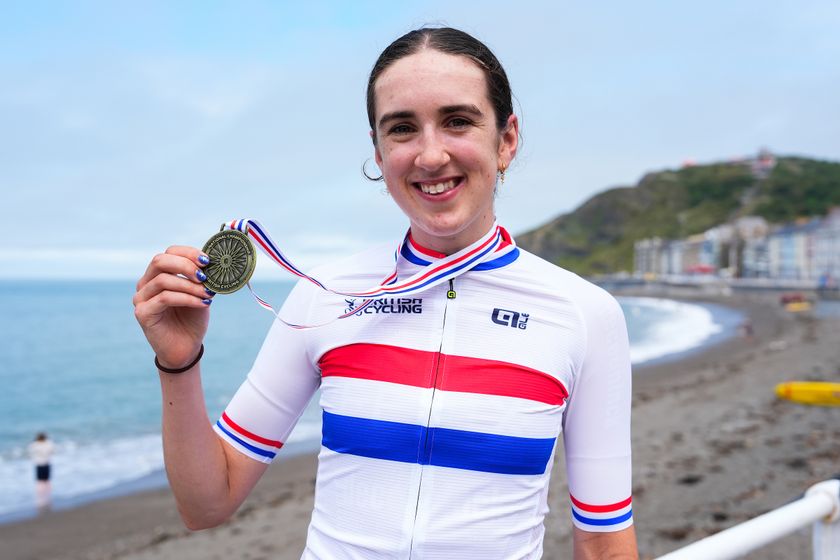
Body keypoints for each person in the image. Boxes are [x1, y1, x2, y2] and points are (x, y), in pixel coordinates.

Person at [133, 27, 638, 559]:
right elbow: (207, 503)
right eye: (402, 129)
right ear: (377, 150)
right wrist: (179, 361)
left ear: (507, 139)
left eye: (458, 121)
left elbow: (604, 542)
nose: (431, 155)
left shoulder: (583, 314)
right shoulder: (324, 297)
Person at [28, 432, 55, 511]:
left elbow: (30, 450)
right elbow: (52, 450)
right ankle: (48, 496)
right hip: (46, 463)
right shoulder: (48, 443)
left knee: (39, 481)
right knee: (47, 481)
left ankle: (40, 498)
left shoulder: (35, 444)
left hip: (39, 464)